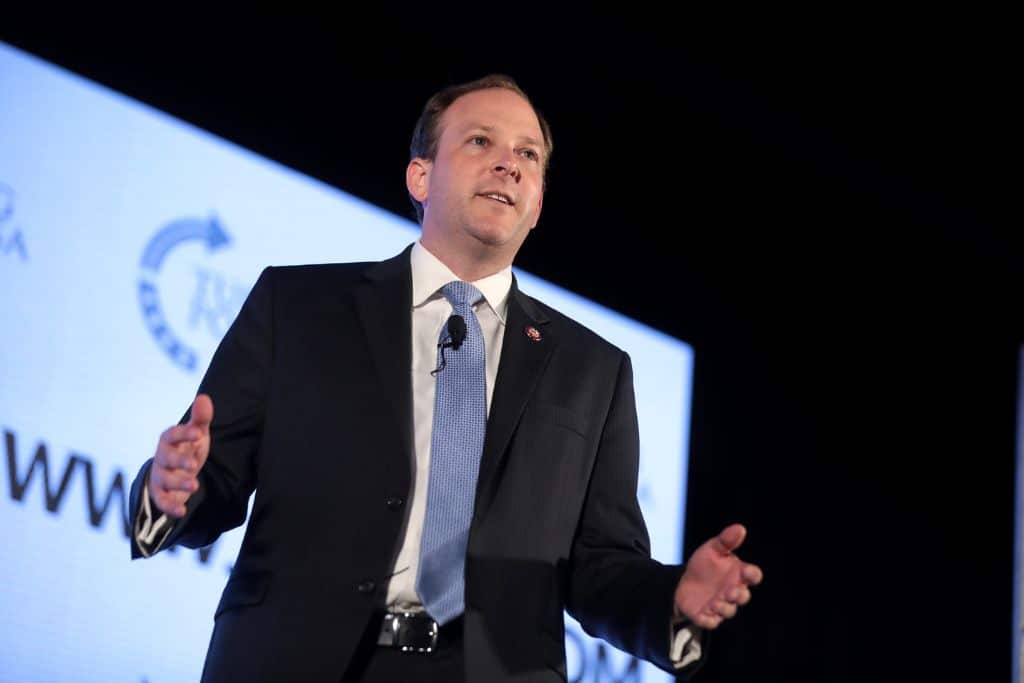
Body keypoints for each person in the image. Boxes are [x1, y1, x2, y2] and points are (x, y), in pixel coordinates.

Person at [129, 74, 763, 682]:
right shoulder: (298, 306)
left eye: (528, 155)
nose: (508, 164)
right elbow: (210, 479)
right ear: (420, 175)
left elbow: (602, 569)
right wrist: (169, 490)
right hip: (291, 657)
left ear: (537, 203)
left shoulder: (593, 373)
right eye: (480, 141)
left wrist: (674, 599)